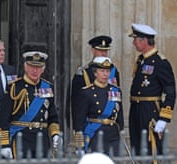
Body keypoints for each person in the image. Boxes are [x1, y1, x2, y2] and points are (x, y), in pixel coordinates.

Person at [0, 51, 62, 158]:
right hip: (21, 138)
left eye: (38, 67)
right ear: (25, 67)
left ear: (43, 69)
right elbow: (4, 118)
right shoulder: (14, 87)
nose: (35, 70)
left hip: (42, 139)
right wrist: (4, 144)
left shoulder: (47, 87)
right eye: (31, 66)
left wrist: (55, 134)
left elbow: (52, 117)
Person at [128, 23, 176, 156]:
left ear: (144, 41)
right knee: (137, 147)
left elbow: (171, 92)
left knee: (152, 149)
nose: (134, 43)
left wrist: (164, 118)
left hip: (150, 111)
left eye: (135, 40)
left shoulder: (160, 62)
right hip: (137, 109)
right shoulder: (140, 60)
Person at [73, 56, 123, 156]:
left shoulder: (116, 91)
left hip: (112, 135)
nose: (105, 74)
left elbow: (119, 117)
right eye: (102, 71)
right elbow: (79, 121)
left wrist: (121, 133)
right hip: (95, 134)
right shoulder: (86, 92)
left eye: (108, 71)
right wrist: (80, 145)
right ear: (95, 73)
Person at [70, 35, 120, 128]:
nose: (103, 54)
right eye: (100, 50)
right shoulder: (83, 72)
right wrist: (77, 127)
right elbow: (76, 102)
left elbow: (117, 100)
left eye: (105, 51)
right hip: (90, 125)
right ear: (93, 51)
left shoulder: (114, 71)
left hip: (110, 125)